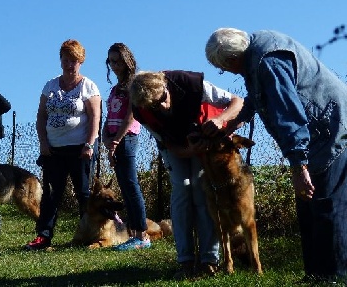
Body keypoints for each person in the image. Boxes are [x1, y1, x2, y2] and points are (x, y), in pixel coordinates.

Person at [204, 28, 347, 283]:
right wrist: (231, 121)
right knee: (307, 206)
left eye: (224, 68)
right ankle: (315, 274)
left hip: (328, 127)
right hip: (317, 127)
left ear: (231, 59)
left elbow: (288, 114)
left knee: (324, 203)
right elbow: (256, 99)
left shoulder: (267, 62)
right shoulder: (254, 50)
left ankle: (331, 276)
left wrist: (298, 166)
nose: (227, 72)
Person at [129, 70, 243, 279]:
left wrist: (220, 119)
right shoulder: (140, 109)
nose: (162, 106)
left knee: (201, 190)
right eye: (155, 106)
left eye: (162, 98)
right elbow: (170, 145)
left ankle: (209, 259)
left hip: (204, 137)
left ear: (165, 86)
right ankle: (186, 260)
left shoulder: (190, 83)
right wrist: (190, 151)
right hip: (177, 145)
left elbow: (237, 102)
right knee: (182, 187)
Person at [24, 39, 101, 251]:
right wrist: (43, 142)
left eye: (74, 61)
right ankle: (43, 236)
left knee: (83, 193)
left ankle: (88, 233)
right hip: (53, 149)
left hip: (80, 150)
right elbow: (41, 115)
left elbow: (95, 117)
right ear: (60, 61)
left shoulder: (89, 86)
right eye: (65, 60)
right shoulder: (50, 86)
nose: (69, 65)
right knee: (50, 194)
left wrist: (89, 144)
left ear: (81, 62)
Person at [102, 43, 150, 251]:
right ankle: (132, 234)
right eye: (111, 61)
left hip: (127, 138)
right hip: (113, 138)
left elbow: (130, 116)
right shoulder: (115, 89)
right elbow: (109, 116)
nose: (114, 65)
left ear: (127, 60)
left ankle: (142, 235)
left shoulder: (134, 84)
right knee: (123, 185)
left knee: (131, 186)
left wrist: (117, 139)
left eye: (118, 61)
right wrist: (106, 138)